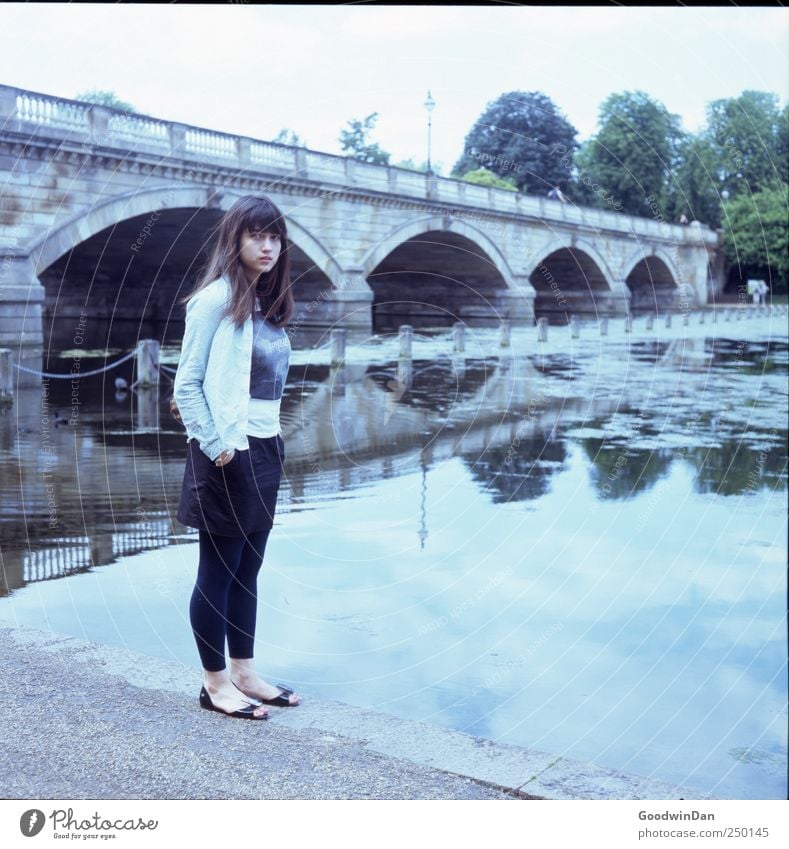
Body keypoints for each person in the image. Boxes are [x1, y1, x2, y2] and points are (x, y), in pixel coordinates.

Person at [173, 194, 300, 720]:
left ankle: (246, 673)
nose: (267, 246)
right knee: (218, 573)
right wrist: (219, 446)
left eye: (274, 237)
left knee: (249, 571)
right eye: (256, 235)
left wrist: (264, 443)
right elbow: (187, 387)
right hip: (227, 452)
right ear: (236, 239)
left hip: (266, 448)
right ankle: (215, 684)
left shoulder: (266, 303)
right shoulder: (213, 301)